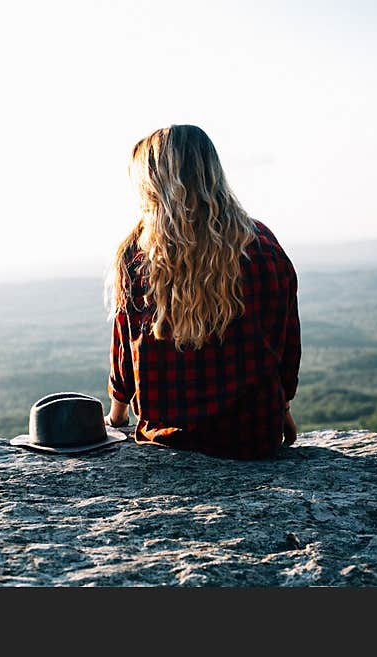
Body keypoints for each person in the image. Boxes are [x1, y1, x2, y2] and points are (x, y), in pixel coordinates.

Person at [105, 124, 301, 459]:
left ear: (152, 186)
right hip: (253, 437)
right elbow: (282, 345)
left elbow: (126, 356)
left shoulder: (137, 255)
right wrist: (282, 411)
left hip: (168, 441)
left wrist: (116, 418)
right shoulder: (262, 246)